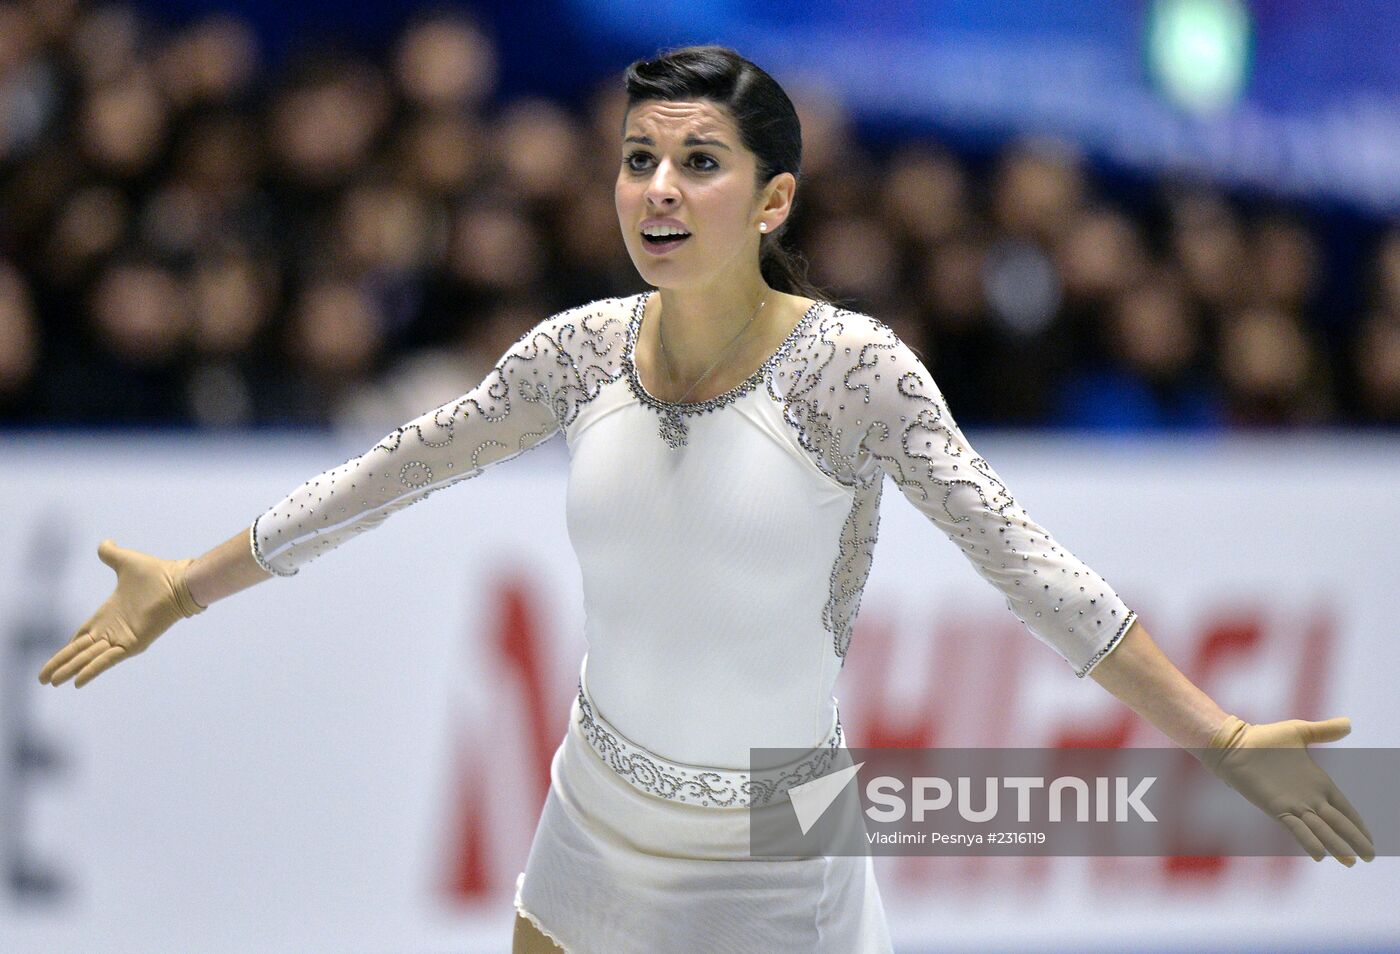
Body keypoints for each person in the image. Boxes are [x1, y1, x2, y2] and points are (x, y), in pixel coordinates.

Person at [38, 45, 1374, 954]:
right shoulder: (574, 351)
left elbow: (1031, 569)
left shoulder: (854, 371)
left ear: (774, 194)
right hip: (593, 817)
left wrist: (1216, 734)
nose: (658, 188)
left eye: (698, 161)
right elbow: (383, 478)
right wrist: (185, 586)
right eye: (637, 158)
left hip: (777, 848)